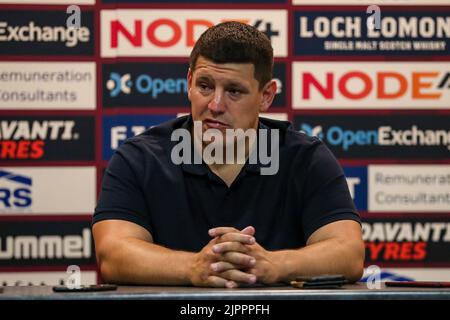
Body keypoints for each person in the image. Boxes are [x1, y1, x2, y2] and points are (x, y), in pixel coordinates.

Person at [92, 21, 365, 288]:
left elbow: (348, 253)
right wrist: (195, 267)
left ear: (266, 96)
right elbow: (113, 254)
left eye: (234, 91)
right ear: (189, 82)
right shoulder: (139, 159)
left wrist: (273, 264)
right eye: (205, 86)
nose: (215, 104)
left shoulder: (306, 159)